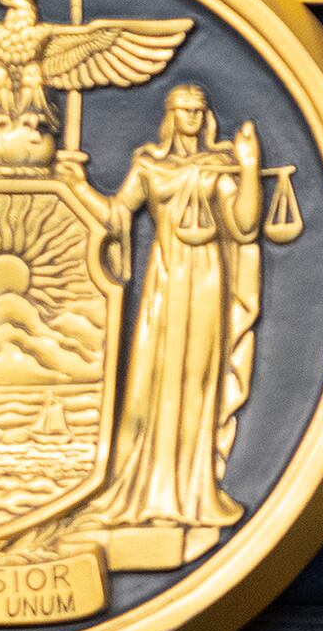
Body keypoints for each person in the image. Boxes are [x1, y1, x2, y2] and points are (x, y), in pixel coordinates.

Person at [80, 85, 264, 544]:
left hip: (205, 283)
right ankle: (147, 489)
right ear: (169, 115)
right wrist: (76, 184)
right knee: (154, 380)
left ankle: (190, 492)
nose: (192, 118)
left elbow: (244, 225)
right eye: (184, 110)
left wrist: (248, 166)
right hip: (164, 282)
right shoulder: (149, 164)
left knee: (197, 380)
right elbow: (116, 214)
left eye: (199, 111)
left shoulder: (217, 167)